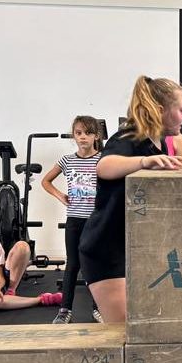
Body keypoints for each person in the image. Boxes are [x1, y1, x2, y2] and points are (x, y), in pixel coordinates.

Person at [78, 75, 182, 323]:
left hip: (134, 248)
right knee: (123, 329)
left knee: (145, 326)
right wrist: (144, 162)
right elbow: (104, 166)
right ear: (160, 110)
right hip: (106, 248)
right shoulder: (129, 137)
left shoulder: (158, 145)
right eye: (181, 110)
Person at [40, 115, 102, 324]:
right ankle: (65, 310)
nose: (83, 137)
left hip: (95, 221)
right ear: (73, 136)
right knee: (73, 264)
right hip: (74, 219)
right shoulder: (67, 160)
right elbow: (46, 181)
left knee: (94, 265)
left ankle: (98, 308)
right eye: (79, 133)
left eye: (88, 133)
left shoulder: (102, 159)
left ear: (96, 136)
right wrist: (60, 195)